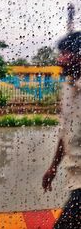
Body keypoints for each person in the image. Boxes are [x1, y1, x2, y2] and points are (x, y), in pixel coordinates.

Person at [42, 31, 81, 229]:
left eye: (65, 53)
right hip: (76, 177)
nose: (59, 60)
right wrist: (53, 167)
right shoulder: (68, 87)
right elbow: (66, 130)